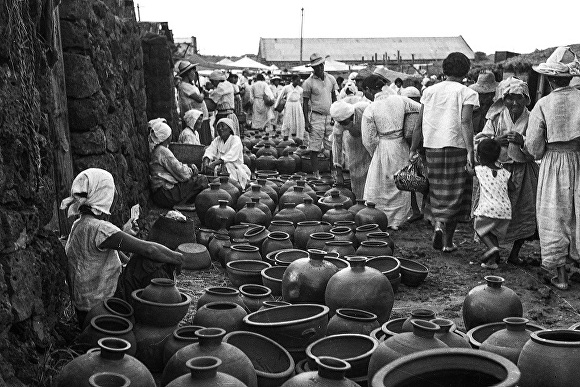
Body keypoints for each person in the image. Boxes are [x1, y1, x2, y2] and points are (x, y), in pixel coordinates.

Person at [60, 168, 183, 327]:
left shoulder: (80, 224)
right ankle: (157, 317)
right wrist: (177, 257)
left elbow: (110, 255)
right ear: (104, 195)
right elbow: (149, 249)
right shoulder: (100, 228)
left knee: (138, 261)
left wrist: (124, 234)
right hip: (105, 304)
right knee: (150, 261)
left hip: (85, 308)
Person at [410, 52, 479, 252]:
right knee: (457, 192)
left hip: (432, 147)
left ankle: (438, 224)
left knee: (436, 189)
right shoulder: (468, 93)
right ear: (466, 72)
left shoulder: (429, 91)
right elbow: (466, 122)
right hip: (457, 146)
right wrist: (470, 151)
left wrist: (414, 148)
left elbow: (419, 123)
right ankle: (448, 242)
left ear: (444, 70)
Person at [525, 46, 580, 290]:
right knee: (578, 213)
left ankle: (561, 276)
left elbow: (534, 147)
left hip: (554, 162)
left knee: (554, 215)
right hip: (579, 159)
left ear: (549, 79)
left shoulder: (543, 104)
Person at [474, 77, 538, 264]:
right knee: (491, 211)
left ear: (526, 99)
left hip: (523, 170)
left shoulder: (533, 117)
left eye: (519, 98)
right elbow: (480, 140)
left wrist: (523, 141)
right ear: (503, 99)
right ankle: (494, 253)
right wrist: (496, 140)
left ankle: (515, 254)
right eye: (509, 98)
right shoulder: (496, 117)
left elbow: (540, 146)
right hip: (498, 170)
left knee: (524, 212)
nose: (514, 102)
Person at [362, 76, 420, 229]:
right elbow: (421, 108)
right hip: (401, 144)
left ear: (369, 90)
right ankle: (400, 218)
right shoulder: (401, 100)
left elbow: (368, 139)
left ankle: (382, 217)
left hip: (383, 145)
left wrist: (374, 153)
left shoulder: (371, 108)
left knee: (383, 183)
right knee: (401, 181)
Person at [149, 118, 208, 208]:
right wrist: (191, 169)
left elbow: (176, 167)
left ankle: (182, 202)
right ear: (167, 136)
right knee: (201, 179)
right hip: (165, 194)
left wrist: (187, 167)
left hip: (160, 194)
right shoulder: (163, 151)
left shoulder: (158, 150)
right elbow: (182, 173)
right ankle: (181, 204)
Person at [472, 139, 513, 269]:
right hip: (505, 211)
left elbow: (468, 172)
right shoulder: (505, 173)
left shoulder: (480, 170)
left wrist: (468, 167)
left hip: (488, 208)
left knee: (479, 227)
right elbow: (512, 187)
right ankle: (492, 262)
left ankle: (492, 247)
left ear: (479, 157)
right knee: (492, 233)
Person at [302, 53, 338, 178]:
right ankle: (316, 174)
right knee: (314, 147)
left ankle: (333, 171)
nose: (318, 68)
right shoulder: (308, 83)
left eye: (320, 66)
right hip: (316, 117)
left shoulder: (331, 79)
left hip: (330, 116)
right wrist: (306, 121)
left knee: (332, 145)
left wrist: (335, 115)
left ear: (323, 64)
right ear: (312, 68)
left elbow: (334, 98)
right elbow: (305, 103)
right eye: (315, 67)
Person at [330, 100, 372, 200]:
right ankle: (359, 199)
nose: (343, 125)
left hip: (370, 136)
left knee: (372, 168)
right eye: (341, 123)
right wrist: (339, 173)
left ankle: (373, 200)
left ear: (351, 115)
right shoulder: (338, 124)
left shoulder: (365, 109)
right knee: (356, 170)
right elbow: (337, 146)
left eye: (345, 122)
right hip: (353, 139)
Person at [202, 118, 251, 188]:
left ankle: (232, 188)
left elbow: (230, 156)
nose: (220, 129)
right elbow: (210, 150)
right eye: (218, 127)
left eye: (222, 126)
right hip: (218, 168)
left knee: (228, 165)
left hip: (234, 168)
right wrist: (206, 162)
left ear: (230, 129)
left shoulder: (235, 139)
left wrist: (215, 163)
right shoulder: (217, 140)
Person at [176, 61, 212, 145]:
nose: (194, 74)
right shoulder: (184, 86)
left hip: (200, 117)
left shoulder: (190, 85)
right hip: (194, 119)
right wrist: (203, 93)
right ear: (188, 73)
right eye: (193, 71)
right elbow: (199, 99)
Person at [208, 70, 240, 136]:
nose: (213, 84)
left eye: (213, 82)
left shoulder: (222, 86)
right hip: (225, 114)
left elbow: (212, 101)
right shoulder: (226, 84)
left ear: (216, 80)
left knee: (226, 138)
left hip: (226, 115)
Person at [276, 74, 306, 143]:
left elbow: (301, 100)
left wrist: (302, 108)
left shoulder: (300, 89)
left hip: (297, 106)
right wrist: (276, 106)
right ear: (292, 80)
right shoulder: (286, 88)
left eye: (299, 81)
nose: (298, 82)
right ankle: (287, 136)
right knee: (288, 120)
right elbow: (280, 97)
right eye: (296, 80)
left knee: (298, 121)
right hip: (289, 105)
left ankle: (298, 137)